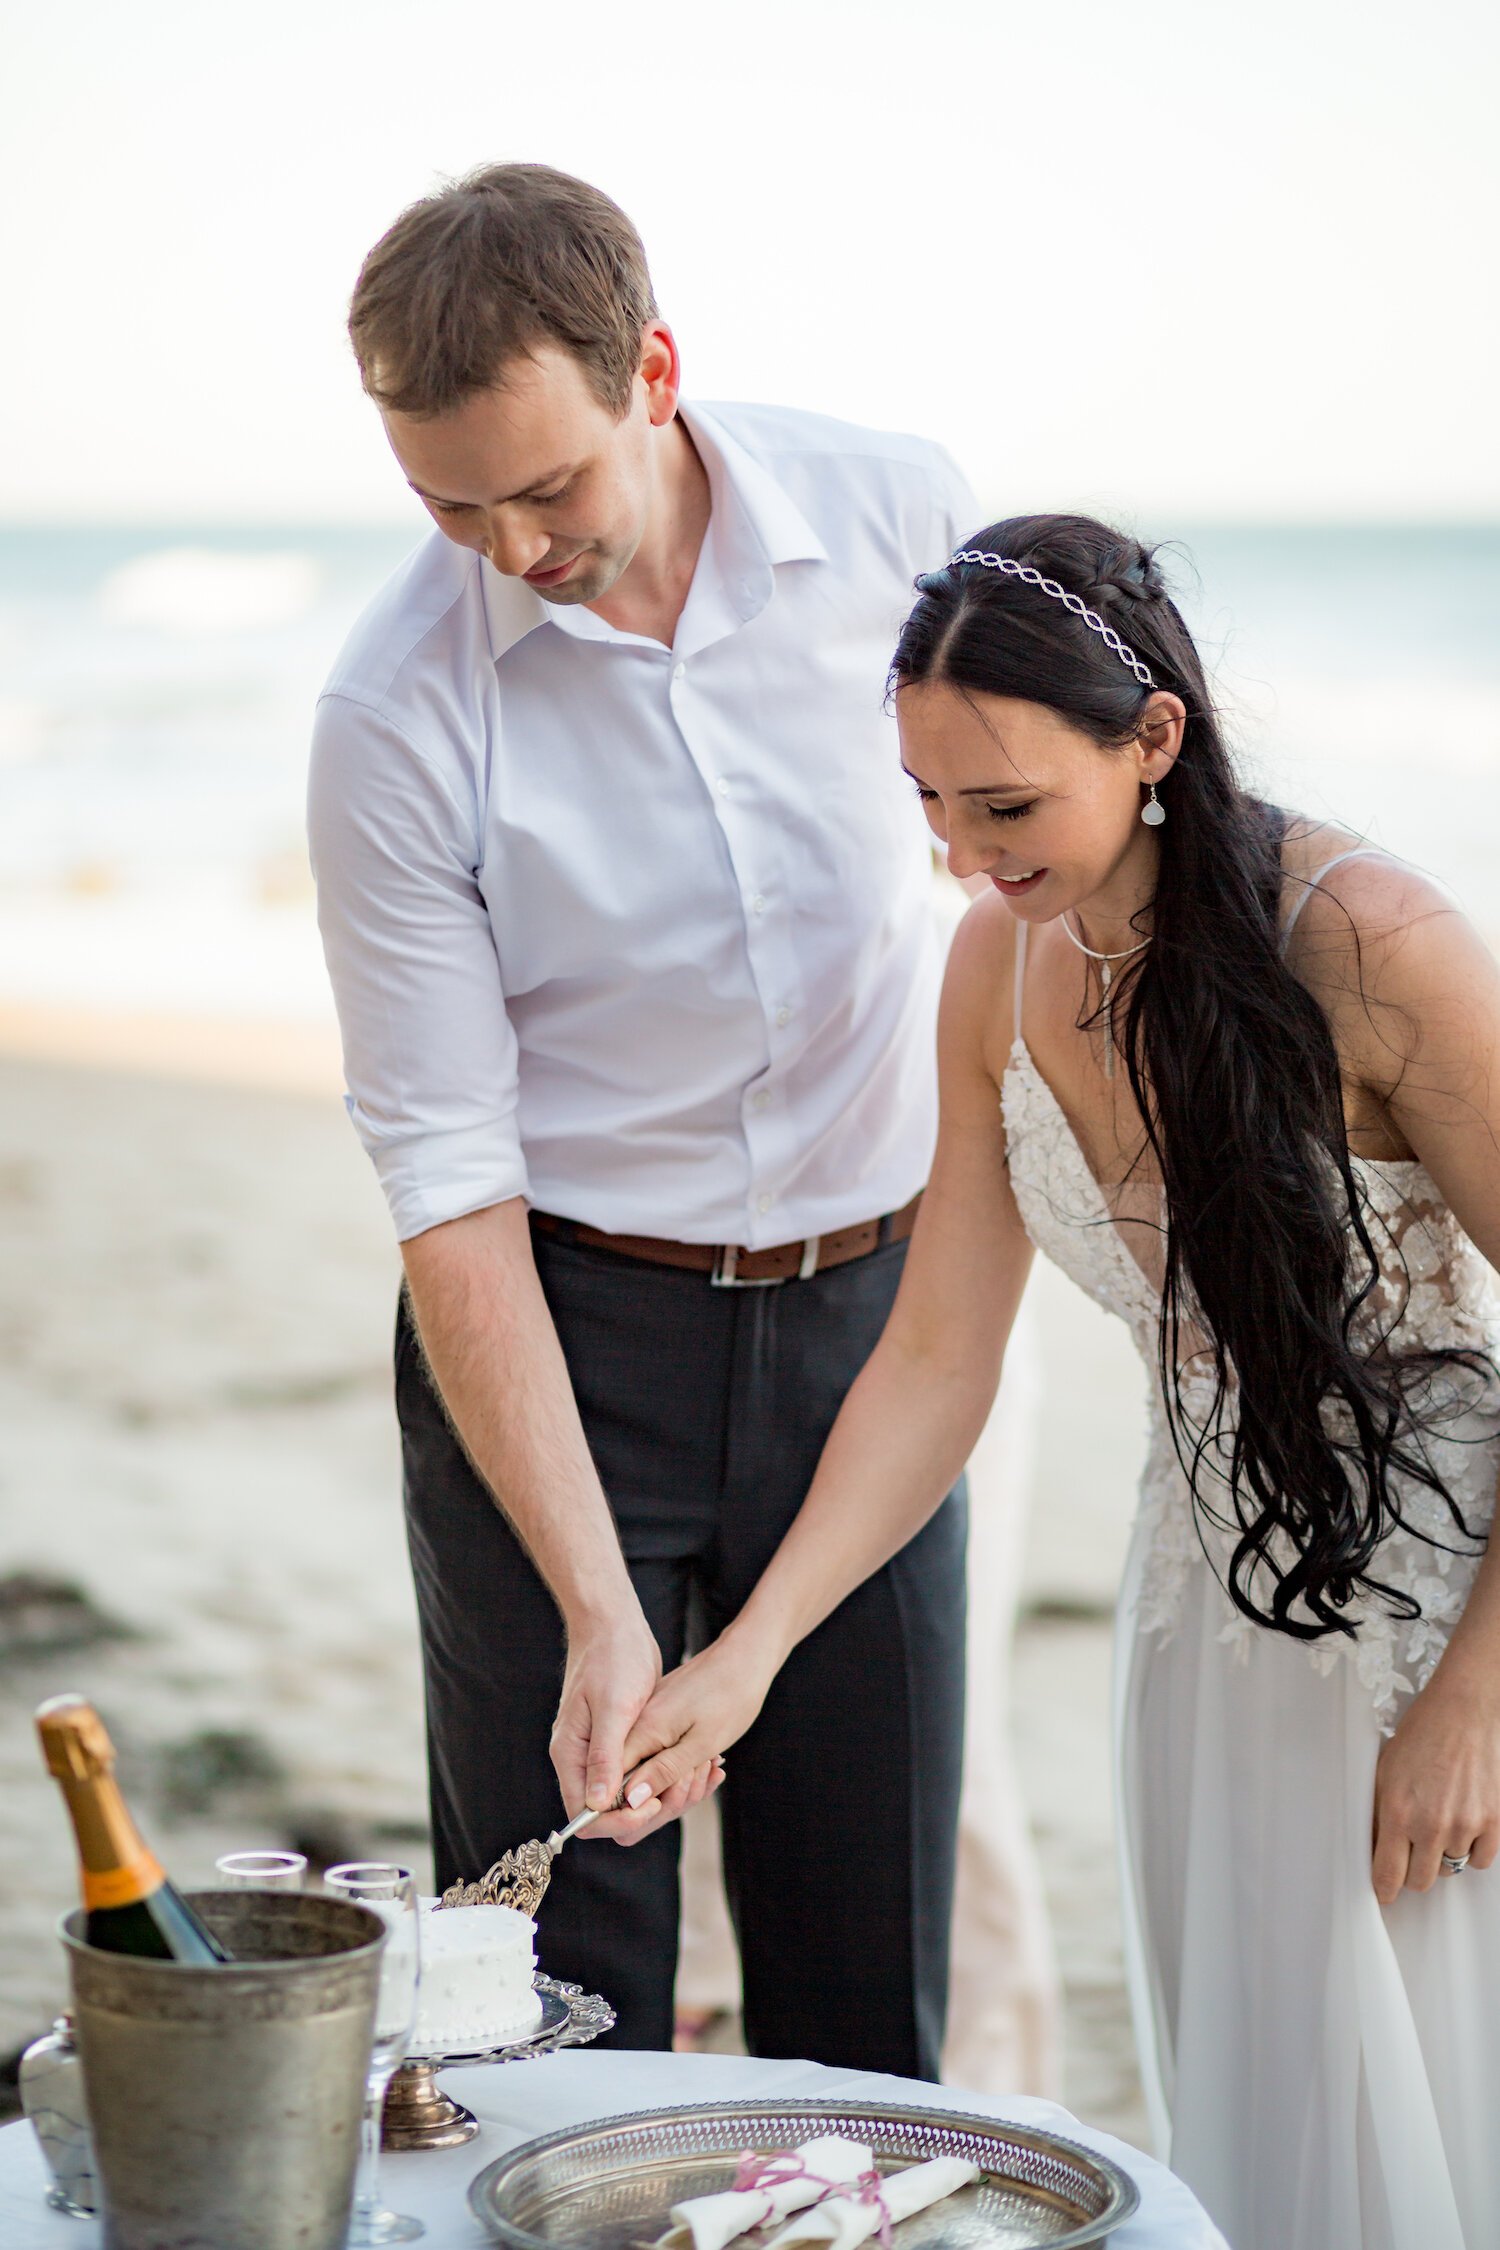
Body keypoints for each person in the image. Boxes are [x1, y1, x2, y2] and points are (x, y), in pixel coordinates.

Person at [617, 515, 1500, 2248]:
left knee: (1424, 2092)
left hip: (1444, 1621)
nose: (961, 857)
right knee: (1256, 2085)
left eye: (1005, 808)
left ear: (1153, 737)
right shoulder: (995, 970)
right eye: (929, 804)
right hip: (1203, 1601)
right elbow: (939, 1358)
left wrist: (1478, 1697)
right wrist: (747, 1656)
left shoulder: (1375, 941)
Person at [307, 162, 981, 2074]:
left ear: (654, 372)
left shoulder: (903, 516)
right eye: (451, 505)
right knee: (550, 1995)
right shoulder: (390, 710)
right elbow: (450, 1190)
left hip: (868, 1328)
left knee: (864, 1981)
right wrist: (601, 1612)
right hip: (561, 1337)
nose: (510, 544)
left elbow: (1042, 836)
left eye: (549, 488)